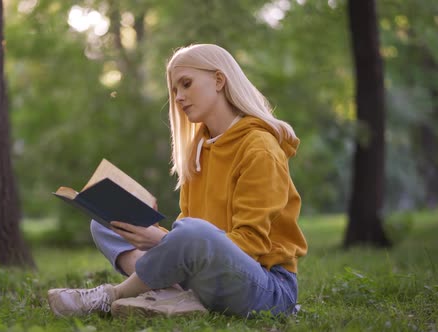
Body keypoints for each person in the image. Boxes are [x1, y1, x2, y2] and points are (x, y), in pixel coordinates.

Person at [47, 43, 308, 318]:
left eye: (186, 84)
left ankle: (112, 296)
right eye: (174, 90)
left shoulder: (259, 148)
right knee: (107, 226)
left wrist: (163, 240)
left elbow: (250, 245)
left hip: (267, 288)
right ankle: (175, 294)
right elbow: (194, 237)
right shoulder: (198, 149)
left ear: (219, 80)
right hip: (207, 274)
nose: (179, 97)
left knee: (193, 232)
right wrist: (160, 238)